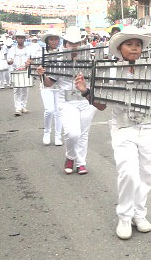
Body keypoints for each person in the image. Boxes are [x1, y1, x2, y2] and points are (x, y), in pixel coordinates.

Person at [74, 26, 151, 240]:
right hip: (123, 128)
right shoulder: (110, 71)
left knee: (146, 174)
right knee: (128, 172)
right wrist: (86, 91)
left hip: (149, 127)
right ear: (120, 48)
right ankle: (124, 216)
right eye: (129, 44)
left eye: (138, 45)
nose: (134, 49)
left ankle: (139, 214)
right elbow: (102, 105)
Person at [38, 28, 98, 175]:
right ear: (65, 45)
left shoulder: (90, 60)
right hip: (66, 101)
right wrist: (42, 74)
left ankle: (81, 162)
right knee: (72, 133)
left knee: (83, 133)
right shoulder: (58, 61)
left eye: (77, 42)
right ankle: (70, 156)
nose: (75, 46)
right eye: (71, 43)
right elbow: (48, 83)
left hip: (86, 100)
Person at [39, 31, 64, 146]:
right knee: (49, 110)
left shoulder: (63, 53)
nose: (54, 41)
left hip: (60, 85)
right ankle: (47, 132)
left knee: (59, 111)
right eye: (51, 39)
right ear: (47, 41)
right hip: (46, 84)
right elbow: (36, 67)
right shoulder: (42, 53)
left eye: (56, 39)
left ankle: (58, 136)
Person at [7, 30, 32, 116]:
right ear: (16, 39)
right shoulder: (12, 49)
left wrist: (29, 63)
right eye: (19, 38)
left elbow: (31, 59)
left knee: (25, 89)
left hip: (25, 70)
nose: (20, 39)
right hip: (16, 71)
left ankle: (23, 106)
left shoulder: (28, 49)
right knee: (17, 89)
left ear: (24, 39)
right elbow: (8, 60)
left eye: (22, 38)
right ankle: (17, 107)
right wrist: (10, 61)